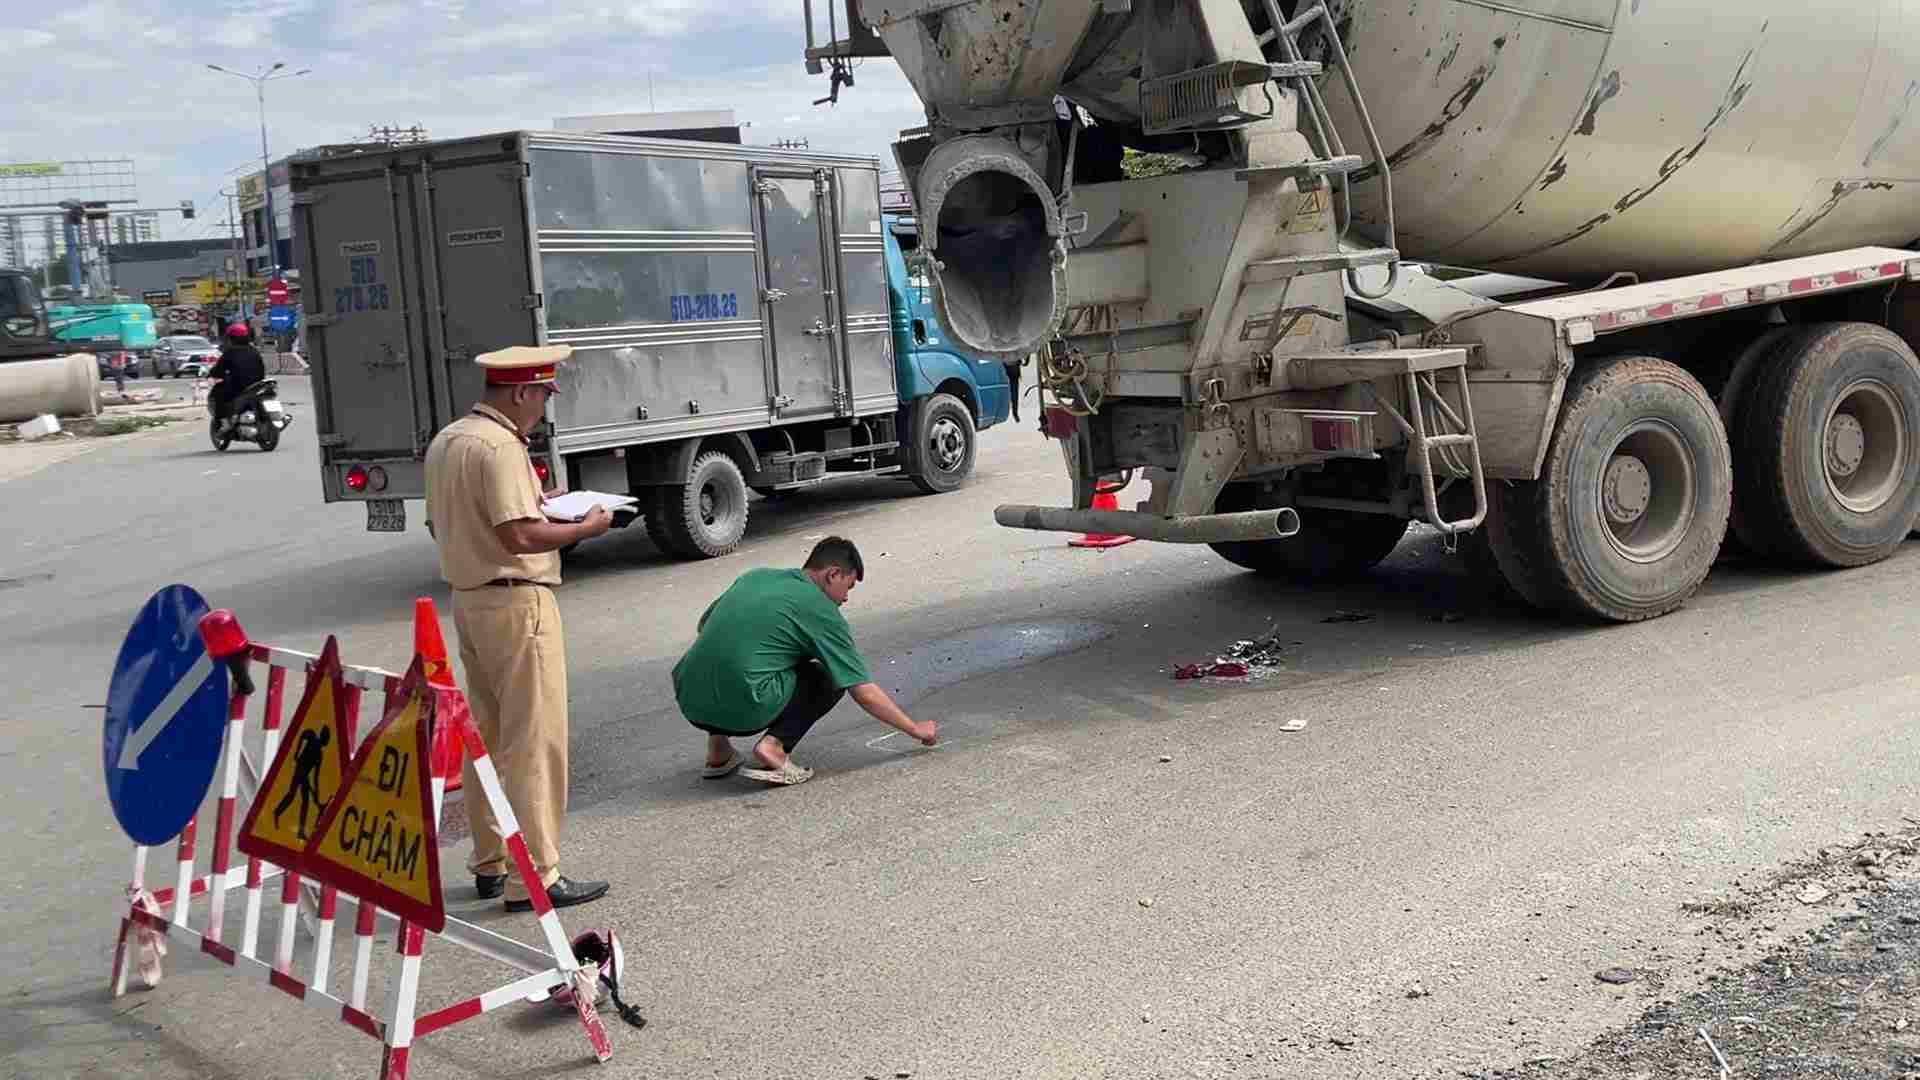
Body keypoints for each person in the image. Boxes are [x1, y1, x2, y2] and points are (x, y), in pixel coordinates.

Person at [422, 344, 613, 912]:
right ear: (524, 391)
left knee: (486, 737)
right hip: (517, 601)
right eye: (543, 397)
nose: (544, 410)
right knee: (534, 740)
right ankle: (537, 874)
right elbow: (520, 537)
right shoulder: (501, 447)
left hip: (471, 599)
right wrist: (584, 527)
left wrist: (539, 502)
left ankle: (490, 861)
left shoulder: (450, 440)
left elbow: (450, 521)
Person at [673, 536, 936, 787]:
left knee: (742, 654)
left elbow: (705, 626)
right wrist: (915, 729)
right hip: (745, 708)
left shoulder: (756, 577)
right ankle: (774, 747)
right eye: (848, 587)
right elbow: (863, 691)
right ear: (833, 574)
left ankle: (719, 752)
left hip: (690, 700)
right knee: (828, 676)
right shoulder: (820, 610)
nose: (846, 598)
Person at [207, 322, 265, 423]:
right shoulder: (254, 350)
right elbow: (262, 369)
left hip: (238, 386)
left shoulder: (230, 352)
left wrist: (212, 374)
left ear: (231, 338)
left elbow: (219, 370)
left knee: (218, 393)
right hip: (257, 385)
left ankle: (223, 420)